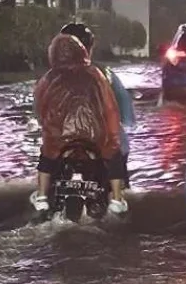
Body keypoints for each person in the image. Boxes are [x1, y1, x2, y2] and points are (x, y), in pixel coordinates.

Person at [31, 34, 128, 215]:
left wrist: (48, 130)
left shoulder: (48, 78)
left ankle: (42, 196)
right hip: (96, 138)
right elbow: (111, 109)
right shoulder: (96, 75)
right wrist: (113, 139)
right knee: (114, 155)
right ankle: (116, 198)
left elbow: (39, 106)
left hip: (59, 139)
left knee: (46, 157)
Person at [60, 23, 136, 183]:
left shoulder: (52, 76)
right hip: (104, 142)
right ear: (89, 48)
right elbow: (125, 109)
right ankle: (117, 198)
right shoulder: (105, 74)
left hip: (63, 140)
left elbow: (40, 108)